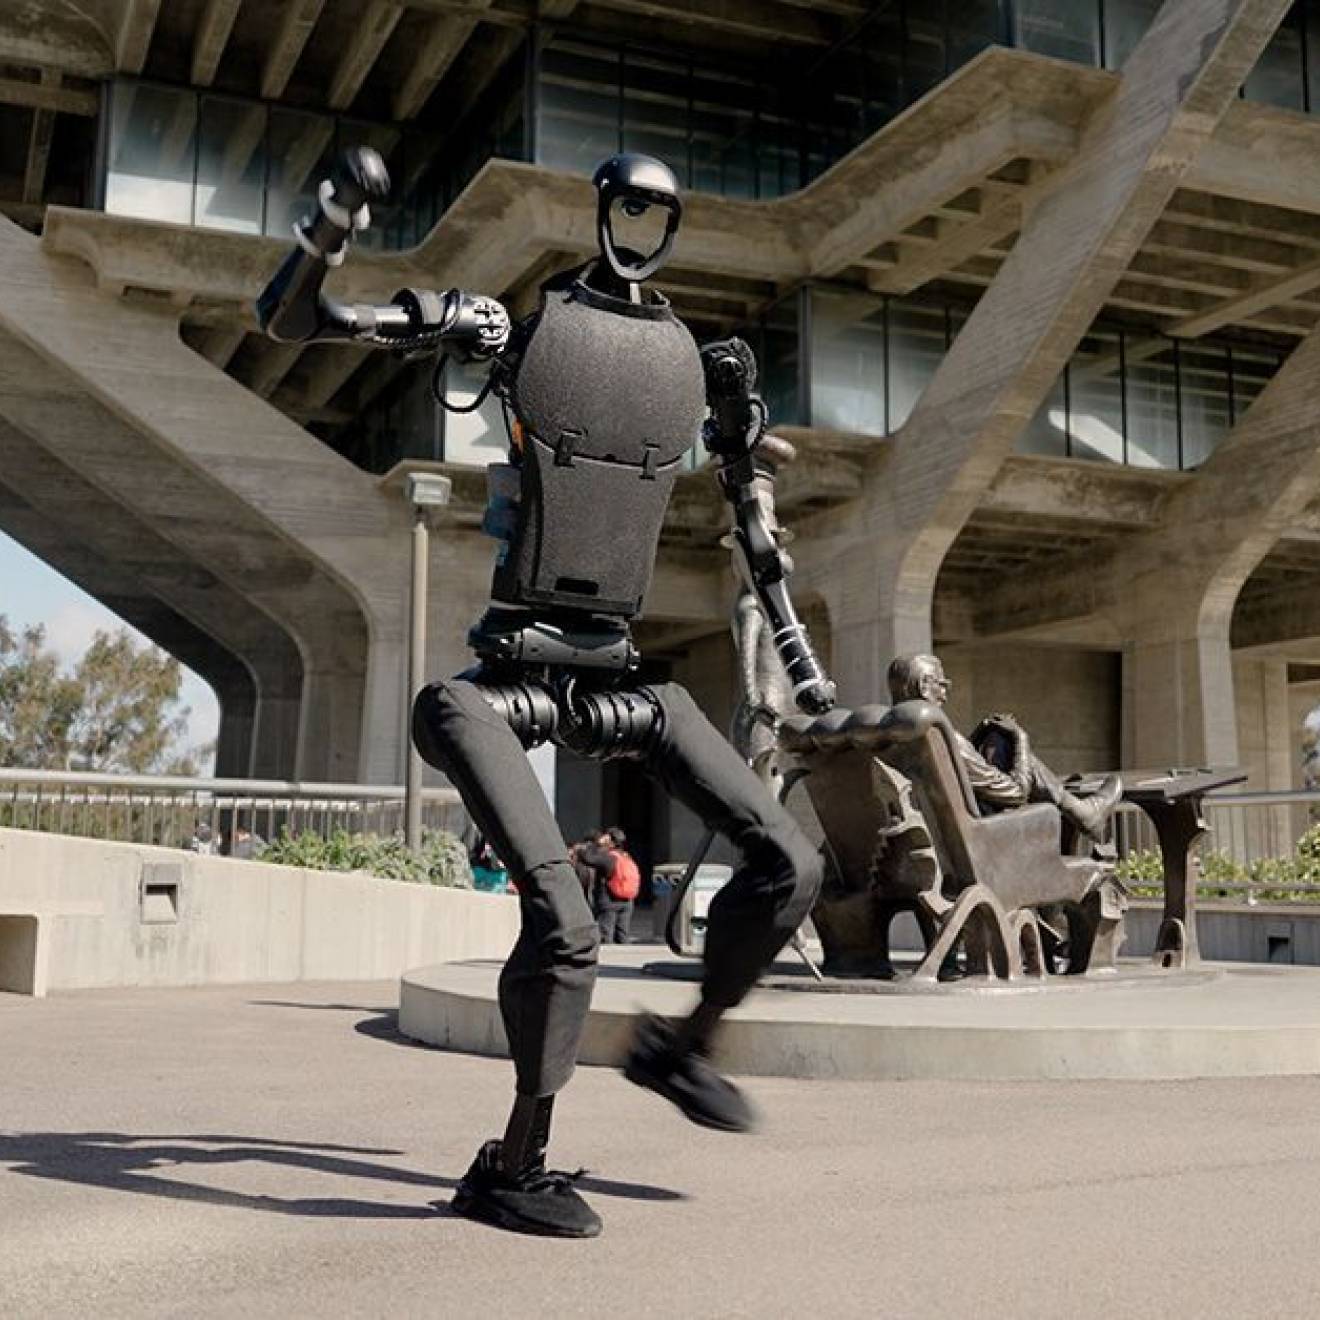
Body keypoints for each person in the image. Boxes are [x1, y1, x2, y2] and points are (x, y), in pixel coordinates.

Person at [258, 146, 833, 1240]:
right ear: (604, 209)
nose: (641, 226)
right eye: (629, 205)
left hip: (620, 673)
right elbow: (300, 321)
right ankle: (510, 1167)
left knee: (789, 861)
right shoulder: (515, 331)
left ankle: (682, 1046)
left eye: (662, 211)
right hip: (504, 680)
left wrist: (798, 653)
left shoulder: (694, 369)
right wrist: (326, 226)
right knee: (565, 930)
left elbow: (754, 531)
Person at [886, 653, 1122, 840]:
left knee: (996, 738)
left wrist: (977, 738)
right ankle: (1082, 812)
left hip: (939, 831)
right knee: (1007, 742)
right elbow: (1016, 794)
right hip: (984, 836)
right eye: (942, 685)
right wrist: (1021, 739)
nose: (945, 695)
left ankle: (1081, 810)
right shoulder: (943, 741)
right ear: (925, 686)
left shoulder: (888, 740)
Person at [593, 826, 639, 944]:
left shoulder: (608, 858)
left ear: (610, 841)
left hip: (610, 901)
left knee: (605, 934)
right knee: (622, 935)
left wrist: (597, 844)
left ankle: (608, 959)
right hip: (627, 901)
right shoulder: (626, 857)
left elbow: (587, 858)